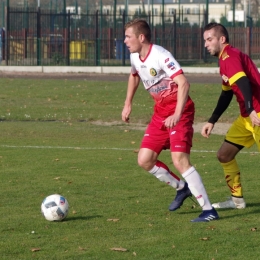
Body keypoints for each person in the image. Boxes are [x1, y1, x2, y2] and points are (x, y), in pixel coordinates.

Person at [121, 18, 219, 222]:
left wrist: (176, 113)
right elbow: (134, 76)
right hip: (160, 113)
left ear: (141, 37)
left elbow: (183, 83)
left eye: (128, 36)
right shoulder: (135, 57)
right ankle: (182, 188)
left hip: (180, 112)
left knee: (179, 160)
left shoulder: (161, 55)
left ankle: (209, 210)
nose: (125, 41)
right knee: (144, 160)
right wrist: (128, 103)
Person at [202, 22, 260, 209]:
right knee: (224, 155)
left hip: (257, 114)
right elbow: (227, 93)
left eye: (209, 39)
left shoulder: (230, 56)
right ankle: (237, 201)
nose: (206, 44)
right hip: (246, 118)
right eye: (205, 40)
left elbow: (243, 82)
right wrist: (212, 120)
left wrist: (251, 109)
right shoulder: (224, 60)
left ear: (222, 39)